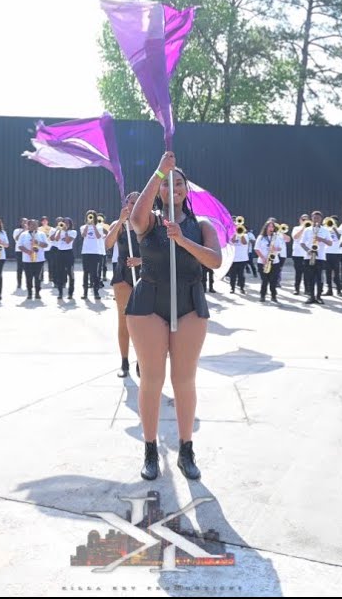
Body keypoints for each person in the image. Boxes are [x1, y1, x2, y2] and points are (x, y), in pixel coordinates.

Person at [126, 153, 222, 482]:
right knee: (152, 379)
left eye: (177, 182)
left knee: (184, 380)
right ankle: (151, 448)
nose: (172, 188)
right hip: (149, 304)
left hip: (190, 303)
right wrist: (159, 171)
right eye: (167, 185)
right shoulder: (149, 221)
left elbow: (214, 261)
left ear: (186, 189)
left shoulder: (202, 225)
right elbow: (136, 216)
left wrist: (181, 239)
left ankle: (186, 450)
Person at [106, 192, 143, 377]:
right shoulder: (118, 225)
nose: (134, 204)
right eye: (131, 202)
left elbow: (158, 251)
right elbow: (107, 244)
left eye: (138, 202)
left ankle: (141, 361)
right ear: (126, 203)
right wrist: (120, 221)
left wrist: (141, 260)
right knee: (124, 321)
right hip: (122, 276)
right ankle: (124, 362)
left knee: (142, 322)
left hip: (144, 275)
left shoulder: (148, 223)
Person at [80, 210, 109, 301]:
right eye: (89, 216)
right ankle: (85, 293)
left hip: (96, 253)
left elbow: (98, 236)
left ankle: (96, 292)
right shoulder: (83, 227)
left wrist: (93, 226)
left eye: (92, 216)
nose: (90, 218)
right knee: (86, 273)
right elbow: (83, 235)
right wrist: (88, 226)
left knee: (95, 274)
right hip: (86, 252)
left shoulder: (99, 227)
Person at [254, 219, 285, 303]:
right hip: (263, 261)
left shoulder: (276, 236)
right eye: (269, 226)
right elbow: (256, 249)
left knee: (273, 280)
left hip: (274, 262)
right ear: (266, 227)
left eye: (272, 227)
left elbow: (280, 248)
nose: (271, 228)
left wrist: (275, 248)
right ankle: (262, 296)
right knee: (264, 280)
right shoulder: (261, 237)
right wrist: (263, 258)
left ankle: (273, 296)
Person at [17, 219, 47, 301]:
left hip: (39, 259)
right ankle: (29, 293)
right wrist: (28, 252)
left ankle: (37, 293)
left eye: (36, 224)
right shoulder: (23, 234)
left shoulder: (42, 234)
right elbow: (19, 245)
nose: (35, 226)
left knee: (38, 277)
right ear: (29, 225)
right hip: (27, 260)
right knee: (28, 277)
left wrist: (38, 243)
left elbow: (46, 245)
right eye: (33, 225)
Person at [227, 224, 249, 294]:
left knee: (241, 275)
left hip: (242, 259)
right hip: (233, 259)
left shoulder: (245, 235)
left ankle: (242, 288)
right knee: (232, 275)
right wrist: (234, 234)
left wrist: (241, 234)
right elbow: (232, 241)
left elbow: (244, 243)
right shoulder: (231, 235)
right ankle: (232, 288)